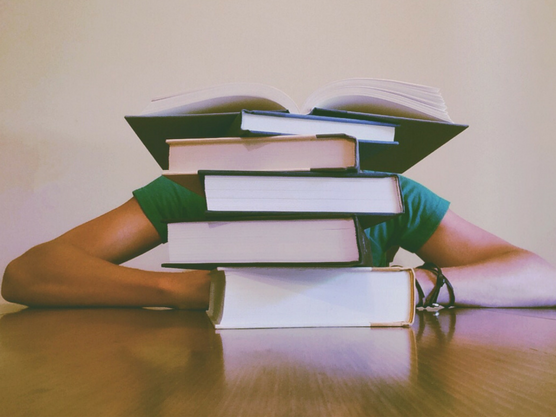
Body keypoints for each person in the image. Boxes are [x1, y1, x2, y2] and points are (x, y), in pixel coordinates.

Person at [2, 175, 556, 309]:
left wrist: (415, 286)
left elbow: (539, 275)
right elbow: (28, 273)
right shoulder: (197, 188)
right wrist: (198, 290)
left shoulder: (388, 195)